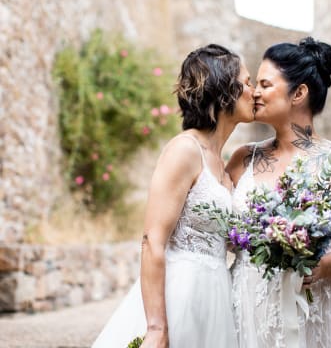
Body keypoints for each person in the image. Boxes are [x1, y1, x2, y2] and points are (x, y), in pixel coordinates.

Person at [92, 44, 255, 348]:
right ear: (224, 91)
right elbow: (152, 241)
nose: (253, 91)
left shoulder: (223, 163)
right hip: (179, 295)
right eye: (247, 82)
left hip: (215, 298)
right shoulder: (184, 150)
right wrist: (156, 328)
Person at [227, 37, 331, 348]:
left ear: (298, 93)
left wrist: (325, 267)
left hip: (318, 315)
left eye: (265, 84)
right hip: (248, 311)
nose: (254, 93)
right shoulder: (242, 158)